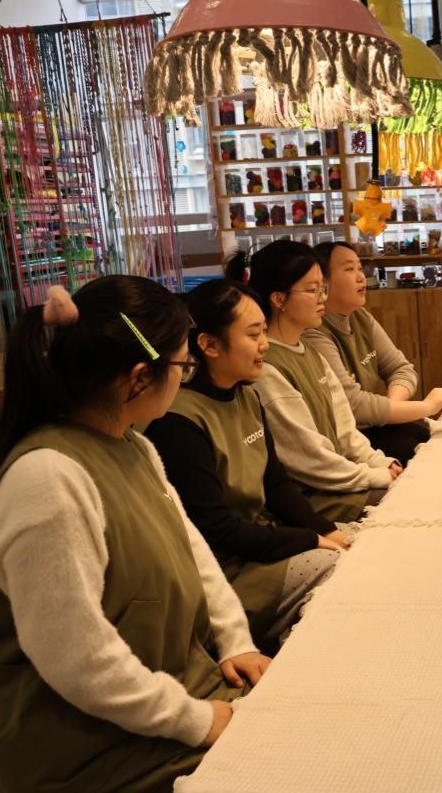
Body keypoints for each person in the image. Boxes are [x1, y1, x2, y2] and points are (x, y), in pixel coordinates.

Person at [0, 277, 267, 793]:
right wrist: (197, 720)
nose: (187, 377)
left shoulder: (133, 444)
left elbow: (191, 551)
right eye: (183, 366)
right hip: (78, 747)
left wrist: (235, 640)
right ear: (139, 378)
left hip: (152, 698)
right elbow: (79, 661)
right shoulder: (48, 480)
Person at [143, 279, 348, 654]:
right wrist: (309, 539)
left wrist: (326, 530)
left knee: (358, 541)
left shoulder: (248, 397)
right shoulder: (178, 422)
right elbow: (216, 531)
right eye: (253, 335)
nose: (265, 345)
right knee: (336, 568)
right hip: (229, 570)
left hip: (261, 543)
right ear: (209, 345)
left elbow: (277, 485)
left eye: (264, 332)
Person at [225, 240, 400, 522]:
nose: (322, 298)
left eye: (323, 288)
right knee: (403, 502)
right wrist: (375, 476)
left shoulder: (311, 352)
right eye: (311, 290)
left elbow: (346, 431)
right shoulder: (267, 367)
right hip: (314, 498)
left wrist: (381, 463)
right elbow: (310, 460)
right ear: (278, 299)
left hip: (341, 482)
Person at [304, 241, 442, 462]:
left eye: (359, 268)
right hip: (347, 438)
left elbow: (401, 368)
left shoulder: (361, 317)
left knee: (436, 439)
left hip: (373, 426)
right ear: (322, 282)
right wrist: (426, 407)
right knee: (422, 450)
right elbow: (353, 405)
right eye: (349, 269)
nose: (361, 277)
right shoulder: (315, 332)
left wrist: (393, 408)